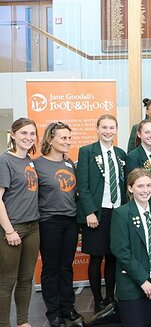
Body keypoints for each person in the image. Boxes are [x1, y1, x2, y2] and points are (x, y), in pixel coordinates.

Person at [33, 122, 84, 327]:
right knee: (51, 268)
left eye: (69, 138)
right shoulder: (37, 165)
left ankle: (68, 307)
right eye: (63, 138)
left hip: (70, 222)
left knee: (66, 267)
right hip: (49, 222)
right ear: (50, 139)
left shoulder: (69, 163)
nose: (68, 142)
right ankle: (53, 312)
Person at [76, 114, 127, 316]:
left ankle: (109, 299)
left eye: (111, 127)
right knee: (96, 258)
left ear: (116, 129)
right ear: (97, 129)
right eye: (104, 127)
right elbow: (83, 185)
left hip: (117, 212)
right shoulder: (87, 151)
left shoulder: (121, 153)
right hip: (97, 213)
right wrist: (90, 211)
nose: (108, 131)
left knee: (113, 257)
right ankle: (97, 300)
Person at [110, 169, 151, 327]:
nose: (146, 190)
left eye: (148, 185)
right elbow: (121, 251)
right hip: (133, 287)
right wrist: (143, 281)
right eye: (140, 186)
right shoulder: (121, 214)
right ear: (130, 188)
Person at [0, 118, 40, 327]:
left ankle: (23, 321)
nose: (28, 137)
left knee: (26, 279)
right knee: (6, 282)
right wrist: (8, 230)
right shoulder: (5, 160)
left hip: (33, 226)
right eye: (24, 133)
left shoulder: (29, 161)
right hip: (12, 228)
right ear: (13, 135)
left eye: (32, 133)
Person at [126, 120, 151, 209]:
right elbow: (132, 185)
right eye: (147, 132)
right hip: (144, 204)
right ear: (139, 134)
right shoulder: (133, 157)